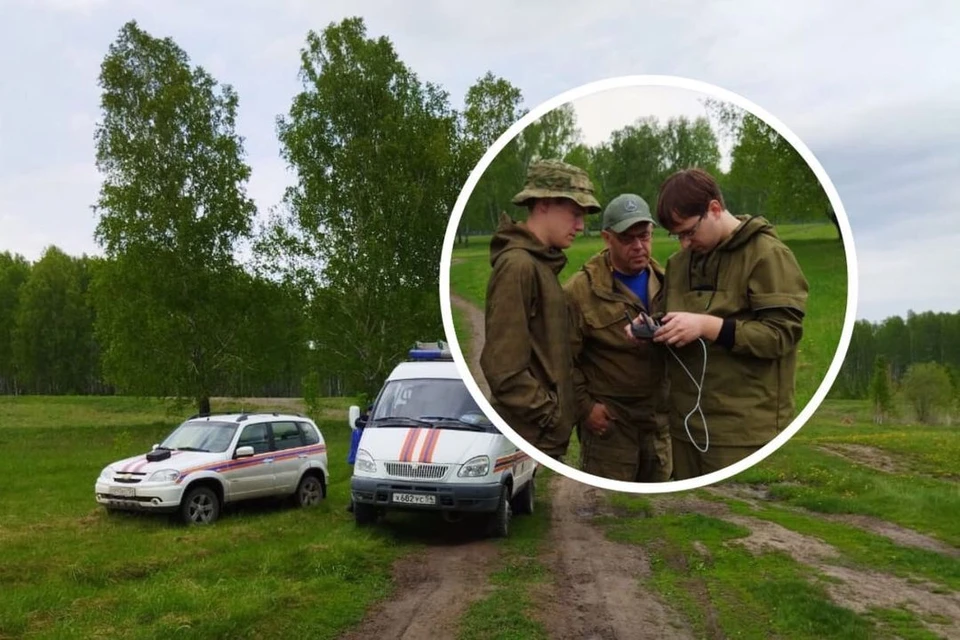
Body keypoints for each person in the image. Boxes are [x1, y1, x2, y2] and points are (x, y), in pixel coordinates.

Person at [627, 168, 809, 479]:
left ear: (714, 209)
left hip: (743, 434)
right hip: (685, 427)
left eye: (689, 232)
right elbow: (677, 315)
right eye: (676, 236)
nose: (684, 244)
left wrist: (708, 327)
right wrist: (652, 327)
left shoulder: (768, 255)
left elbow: (781, 336)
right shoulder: (679, 263)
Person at [480, 159, 601, 460]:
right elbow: (503, 370)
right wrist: (551, 416)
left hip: (538, 438)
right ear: (544, 203)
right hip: (529, 438)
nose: (581, 225)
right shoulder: (518, 266)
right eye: (575, 213)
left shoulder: (540, 265)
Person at [564, 193, 672, 482]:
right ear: (606, 238)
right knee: (609, 515)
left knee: (660, 513)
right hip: (610, 428)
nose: (638, 246)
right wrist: (585, 408)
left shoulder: (669, 282)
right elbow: (561, 361)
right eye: (627, 238)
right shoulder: (580, 291)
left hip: (659, 425)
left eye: (645, 236)